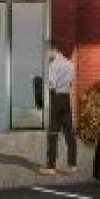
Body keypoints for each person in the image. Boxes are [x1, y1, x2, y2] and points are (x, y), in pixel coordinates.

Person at [38, 44, 77, 175]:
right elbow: (71, 83)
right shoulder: (70, 63)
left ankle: (51, 167)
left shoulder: (53, 65)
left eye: (46, 53)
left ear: (52, 50)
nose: (46, 56)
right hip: (66, 98)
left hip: (56, 98)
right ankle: (72, 164)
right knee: (69, 131)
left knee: (53, 133)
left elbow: (52, 84)